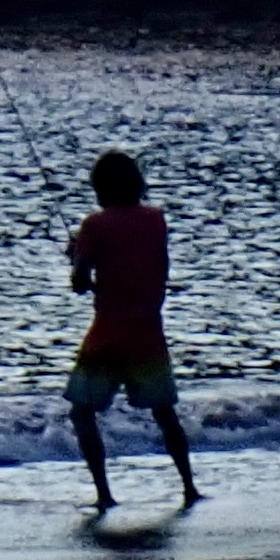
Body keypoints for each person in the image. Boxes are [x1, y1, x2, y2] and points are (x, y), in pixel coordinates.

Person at [65, 149, 199, 508]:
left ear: (102, 188)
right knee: (165, 414)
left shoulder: (94, 225)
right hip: (148, 332)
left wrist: (76, 258)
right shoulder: (156, 220)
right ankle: (188, 486)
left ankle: (104, 494)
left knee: (82, 412)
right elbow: (152, 269)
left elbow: (80, 283)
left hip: (108, 335)